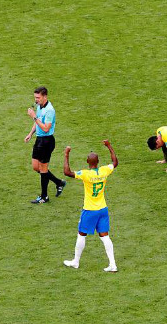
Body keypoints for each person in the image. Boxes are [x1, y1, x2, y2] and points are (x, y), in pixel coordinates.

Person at [62, 140, 119, 272]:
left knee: (81, 234)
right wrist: (109, 146)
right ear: (98, 162)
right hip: (103, 209)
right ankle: (113, 264)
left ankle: (76, 261)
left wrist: (66, 154)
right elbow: (115, 163)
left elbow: (67, 172)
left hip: (89, 210)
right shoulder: (104, 171)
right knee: (105, 236)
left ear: (88, 162)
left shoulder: (86, 174)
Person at [24, 86, 66, 203]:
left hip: (47, 141)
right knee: (35, 167)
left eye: (38, 97)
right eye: (35, 97)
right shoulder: (39, 106)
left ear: (45, 97)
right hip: (39, 140)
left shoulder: (50, 110)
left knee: (43, 169)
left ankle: (44, 196)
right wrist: (30, 134)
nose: (36, 100)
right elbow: (37, 123)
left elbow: (46, 128)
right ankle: (59, 182)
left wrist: (34, 117)